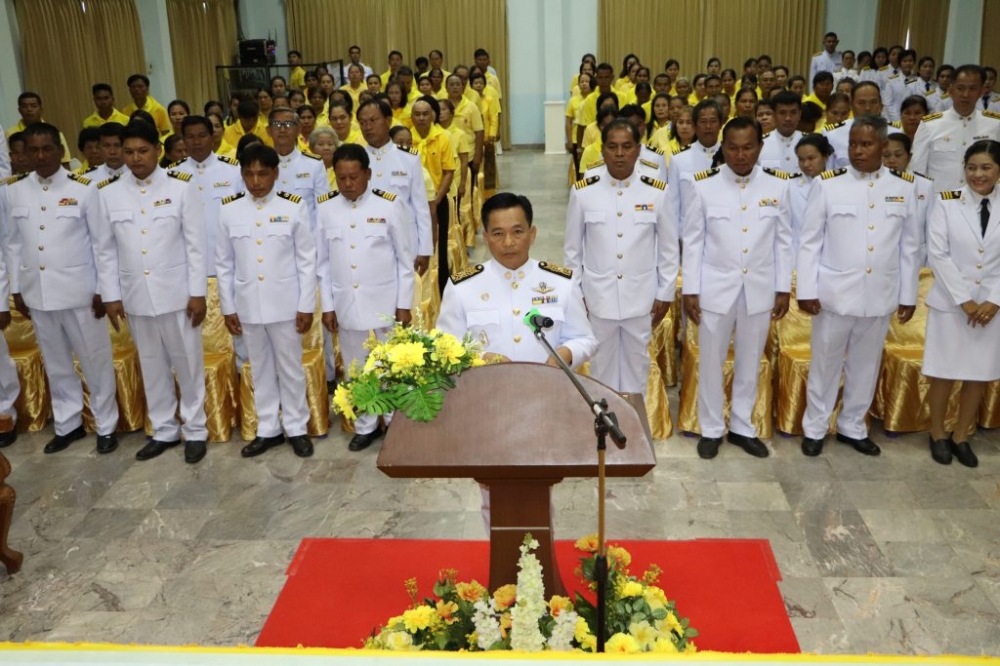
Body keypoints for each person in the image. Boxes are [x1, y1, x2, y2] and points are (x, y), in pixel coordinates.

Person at [796, 115, 921, 457]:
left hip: (879, 294)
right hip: (835, 293)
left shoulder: (903, 188)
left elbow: (910, 247)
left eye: (866, 144)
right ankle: (816, 427)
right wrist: (806, 290)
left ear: (883, 146)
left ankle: (853, 426)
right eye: (853, 143)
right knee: (825, 363)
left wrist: (907, 294)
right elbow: (809, 241)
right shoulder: (828, 184)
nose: (857, 150)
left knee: (866, 365)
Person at [93, 120, 209, 463]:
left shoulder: (181, 188)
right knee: (151, 364)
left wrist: (197, 292)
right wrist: (111, 295)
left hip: (177, 293)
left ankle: (195, 430)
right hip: (136, 295)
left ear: (157, 150)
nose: (134, 158)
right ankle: (163, 430)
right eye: (128, 152)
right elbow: (105, 249)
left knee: (187, 363)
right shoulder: (108, 193)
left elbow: (196, 246)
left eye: (142, 151)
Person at [2, 123, 120, 455]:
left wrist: (103, 290)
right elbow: (11, 244)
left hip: (81, 292)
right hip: (37, 292)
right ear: (24, 153)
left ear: (59, 150)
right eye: (33, 150)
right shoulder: (14, 191)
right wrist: (16, 287)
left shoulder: (83, 189)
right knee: (56, 363)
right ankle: (69, 424)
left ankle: (106, 424)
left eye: (47, 149)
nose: (40, 156)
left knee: (95, 360)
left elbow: (103, 245)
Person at [681, 116, 792, 459]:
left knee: (750, 359)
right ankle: (712, 427)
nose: (740, 155)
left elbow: (785, 241)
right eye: (732, 147)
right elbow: (693, 240)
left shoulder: (779, 187)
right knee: (711, 359)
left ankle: (743, 426)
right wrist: (690, 289)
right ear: (722, 148)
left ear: (760, 147)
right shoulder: (703, 186)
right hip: (715, 287)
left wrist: (782, 287)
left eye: (748, 147)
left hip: (758, 288)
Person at [215, 143, 315, 459]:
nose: (256, 181)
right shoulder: (229, 209)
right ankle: (268, 428)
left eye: (262, 174)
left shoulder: (293, 207)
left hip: (285, 303)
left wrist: (305, 305)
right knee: (258, 368)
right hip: (248, 305)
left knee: (290, 367)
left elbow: (306, 261)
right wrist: (228, 307)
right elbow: (224, 263)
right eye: (249, 174)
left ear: (275, 173)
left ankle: (297, 427)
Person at [564, 119, 678, 394]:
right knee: (600, 367)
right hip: (597, 297)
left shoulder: (657, 191)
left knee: (637, 367)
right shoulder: (583, 191)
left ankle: (633, 424)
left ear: (638, 150)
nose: (619, 153)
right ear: (602, 150)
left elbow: (668, 249)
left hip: (641, 297)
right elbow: (572, 252)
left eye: (626, 147)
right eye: (612, 147)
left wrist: (665, 293)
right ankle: (604, 427)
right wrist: (576, 295)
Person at [316, 144, 415, 452]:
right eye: (341, 178)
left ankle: (395, 420)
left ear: (368, 175)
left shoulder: (389, 205)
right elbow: (322, 264)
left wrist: (403, 304)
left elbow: (405, 260)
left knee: (391, 364)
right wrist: (328, 306)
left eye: (354, 177)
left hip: (386, 301)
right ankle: (366, 424)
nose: (347, 184)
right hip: (348, 303)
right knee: (357, 367)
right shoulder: (325, 208)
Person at [438, 191, 597, 369]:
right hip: (486, 390)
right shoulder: (462, 287)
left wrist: (565, 354)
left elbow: (585, 339)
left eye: (517, 232)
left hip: (548, 388)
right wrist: (482, 358)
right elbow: (445, 346)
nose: (508, 242)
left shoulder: (562, 283)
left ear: (532, 234)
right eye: (498, 234)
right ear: (486, 238)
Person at [923, 140, 1000, 468]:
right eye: (971, 168)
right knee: (943, 372)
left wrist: (994, 301)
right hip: (952, 304)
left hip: (992, 309)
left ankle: (962, 435)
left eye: (986, 168)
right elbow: (937, 254)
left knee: (977, 374)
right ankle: (938, 433)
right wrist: (965, 300)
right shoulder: (946, 201)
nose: (977, 174)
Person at [358, 98, 433, 277]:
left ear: (388, 121)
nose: (368, 127)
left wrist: (425, 249)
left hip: (405, 241)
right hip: (367, 241)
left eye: (373, 120)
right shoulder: (357, 159)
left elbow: (420, 207)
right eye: (362, 122)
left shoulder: (408, 159)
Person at [170, 116, 242, 279]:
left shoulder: (234, 170)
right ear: (183, 140)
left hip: (228, 260)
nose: (196, 142)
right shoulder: (171, 175)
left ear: (212, 137)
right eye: (190, 137)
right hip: (187, 264)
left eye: (202, 136)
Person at [911, 65, 1000, 193]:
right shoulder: (930, 125)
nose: (966, 94)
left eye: (973, 89)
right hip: (940, 203)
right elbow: (917, 169)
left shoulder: (994, 124)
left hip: (981, 201)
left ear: (981, 92)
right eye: (960, 88)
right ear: (950, 91)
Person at [410, 96, 456, 295]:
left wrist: (435, 201)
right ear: (411, 117)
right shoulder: (405, 137)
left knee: (440, 245)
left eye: (425, 114)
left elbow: (448, 171)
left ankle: (442, 289)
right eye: (417, 114)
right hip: (411, 203)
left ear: (433, 116)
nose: (421, 118)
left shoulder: (443, 137)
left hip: (438, 199)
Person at [666, 100, 723, 235]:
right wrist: (675, 238)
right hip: (688, 233)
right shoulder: (679, 159)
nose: (708, 126)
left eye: (713, 121)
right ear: (695, 125)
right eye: (703, 122)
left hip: (723, 233)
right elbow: (673, 204)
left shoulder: (731, 156)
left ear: (721, 124)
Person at [267, 107, 327, 229]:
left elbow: (323, 210)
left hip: (307, 240)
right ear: (268, 131)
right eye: (277, 124)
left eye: (288, 124)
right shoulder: (261, 166)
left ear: (298, 129)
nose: (282, 129)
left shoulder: (314, 165)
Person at [882, 132, 933, 264]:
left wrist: (930, 265)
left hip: (917, 258)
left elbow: (931, 230)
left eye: (898, 155)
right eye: (886, 155)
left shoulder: (925, 186)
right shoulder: (872, 184)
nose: (892, 160)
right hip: (884, 257)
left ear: (909, 157)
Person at [824, 81, 884, 169]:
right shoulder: (832, 134)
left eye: (873, 102)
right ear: (851, 105)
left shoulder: (895, 132)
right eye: (861, 103)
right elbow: (827, 171)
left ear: (880, 105)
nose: (868, 108)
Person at [790, 133, 834, 252]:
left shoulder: (839, 184)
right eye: (801, 159)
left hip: (831, 255)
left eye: (811, 158)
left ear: (825, 156)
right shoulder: (789, 186)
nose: (805, 164)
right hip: (798, 253)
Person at [7, 92, 72, 164]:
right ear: (19, 110)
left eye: (33, 106)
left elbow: (65, 162)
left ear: (41, 109)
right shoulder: (9, 134)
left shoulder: (55, 133)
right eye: (24, 106)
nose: (29, 109)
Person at [759, 91, 802, 171]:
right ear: (774, 115)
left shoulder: (810, 142)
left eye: (793, 112)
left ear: (799, 115)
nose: (788, 118)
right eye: (782, 113)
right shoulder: (761, 144)